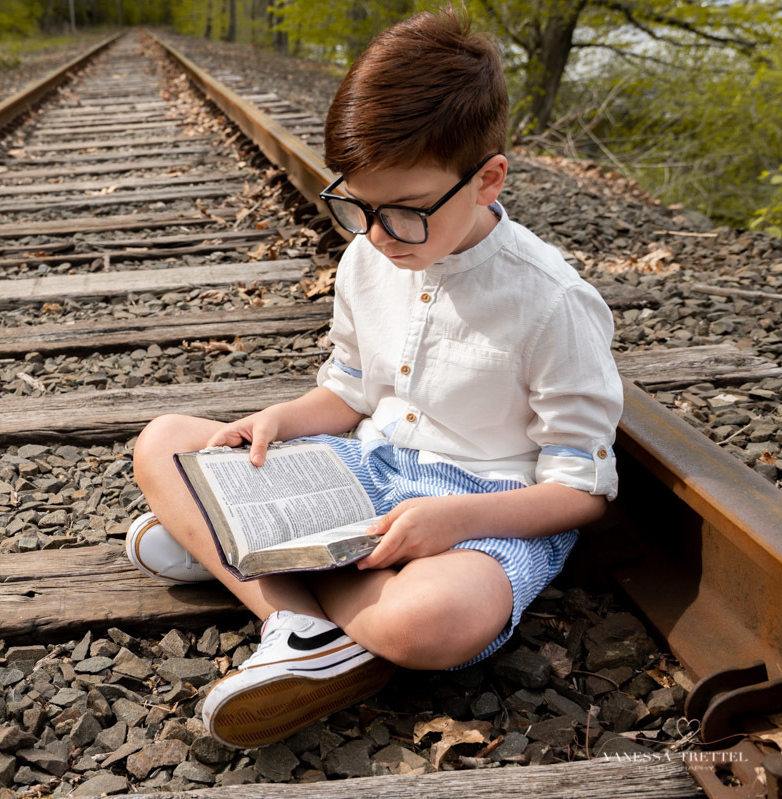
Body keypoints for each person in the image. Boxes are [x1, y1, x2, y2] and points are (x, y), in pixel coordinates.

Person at [127, 7, 623, 750]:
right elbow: (351, 391)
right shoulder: (369, 256)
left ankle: (253, 563)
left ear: (488, 180)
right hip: (368, 470)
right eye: (359, 205)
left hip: (484, 514)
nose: (381, 234)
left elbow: (582, 492)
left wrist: (454, 521)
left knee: (428, 621)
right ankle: (298, 625)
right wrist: (283, 419)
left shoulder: (551, 301)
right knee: (163, 440)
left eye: (408, 211)